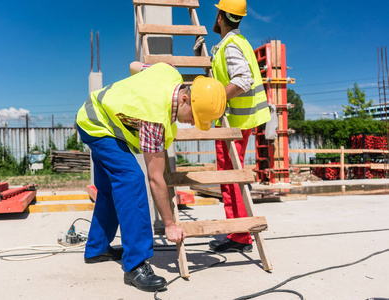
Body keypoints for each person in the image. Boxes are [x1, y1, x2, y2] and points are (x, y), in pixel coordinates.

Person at [76, 61, 226, 292]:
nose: (193, 123)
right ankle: (136, 264)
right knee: (131, 178)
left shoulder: (169, 72)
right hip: (98, 124)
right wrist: (169, 225)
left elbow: (135, 65)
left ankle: (97, 249)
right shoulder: (155, 117)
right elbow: (155, 178)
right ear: (185, 99)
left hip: (95, 114)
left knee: (108, 191)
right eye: (195, 116)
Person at [208, 0, 271, 253]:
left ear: (221, 16)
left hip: (234, 124)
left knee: (230, 177)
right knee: (232, 176)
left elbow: (242, 79)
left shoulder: (231, 45)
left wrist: (217, 99)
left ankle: (240, 236)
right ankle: (238, 232)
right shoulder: (236, 42)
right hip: (239, 122)